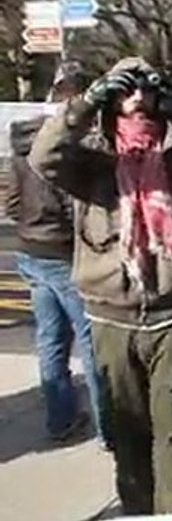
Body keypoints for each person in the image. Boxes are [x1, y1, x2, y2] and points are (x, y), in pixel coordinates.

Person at [28, 58, 172, 515]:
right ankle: (137, 511)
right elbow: (42, 157)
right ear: (110, 111)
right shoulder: (91, 165)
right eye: (126, 101)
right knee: (128, 437)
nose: (139, 104)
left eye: (149, 100)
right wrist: (85, 103)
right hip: (110, 319)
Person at [5, 68, 103, 443]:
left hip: (29, 250)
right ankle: (107, 427)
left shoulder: (21, 144)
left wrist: (32, 224)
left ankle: (60, 420)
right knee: (90, 338)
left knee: (51, 338)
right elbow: (75, 206)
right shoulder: (67, 148)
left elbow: (12, 201)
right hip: (63, 253)